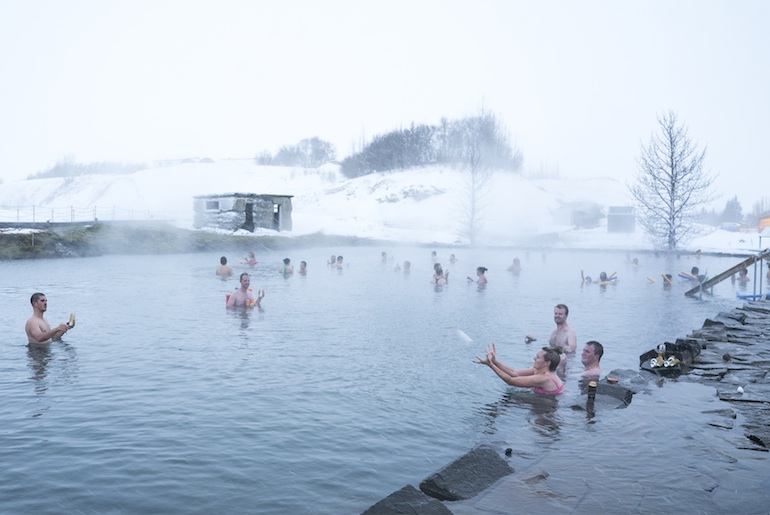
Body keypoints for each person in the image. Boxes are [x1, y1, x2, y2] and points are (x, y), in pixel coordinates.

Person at [474, 343, 564, 395]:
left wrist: (491, 365)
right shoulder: (538, 370)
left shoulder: (544, 378)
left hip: (547, 407)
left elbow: (511, 381)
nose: (534, 358)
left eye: (538, 357)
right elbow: (513, 373)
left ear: (547, 363)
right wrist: (494, 361)